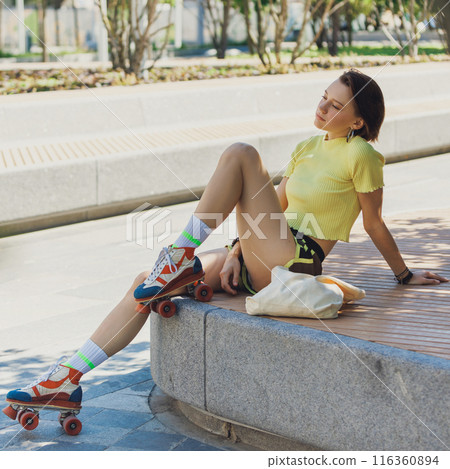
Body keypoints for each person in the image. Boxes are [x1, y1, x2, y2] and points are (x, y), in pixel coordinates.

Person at [4, 69, 448, 418]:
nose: (322, 108)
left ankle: (179, 255)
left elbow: (373, 223)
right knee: (146, 283)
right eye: (322, 98)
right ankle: (65, 379)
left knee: (240, 153)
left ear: (359, 120)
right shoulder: (307, 147)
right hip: (263, 252)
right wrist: (237, 251)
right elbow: (269, 208)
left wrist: (404, 276)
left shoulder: (364, 155)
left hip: (298, 258)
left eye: (335, 106)